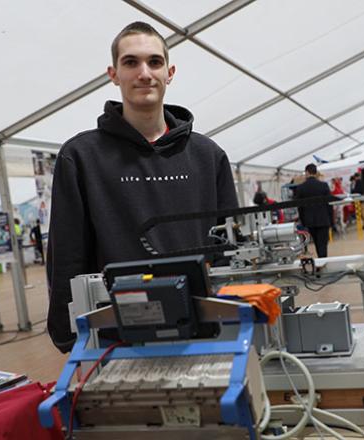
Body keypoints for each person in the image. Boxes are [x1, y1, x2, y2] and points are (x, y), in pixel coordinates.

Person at [46, 21, 239, 353]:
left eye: (154, 62)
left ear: (170, 72)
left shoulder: (208, 156)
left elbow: (231, 248)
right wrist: (68, 334)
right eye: (131, 62)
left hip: (204, 331)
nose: (144, 73)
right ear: (113, 74)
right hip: (116, 337)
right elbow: (67, 253)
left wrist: (237, 315)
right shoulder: (80, 157)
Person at [295, 164, 333, 258]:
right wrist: (331, 219)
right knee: (323, 243)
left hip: (309, 220)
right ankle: (323, 260)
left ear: (306, 172)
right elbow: (329, 204)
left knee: (316, 242)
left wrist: (303, 220)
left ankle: (321, 260)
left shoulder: (301, 188)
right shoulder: (323, 185)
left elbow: (299, 206)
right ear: (316, 173)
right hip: (323, 219)